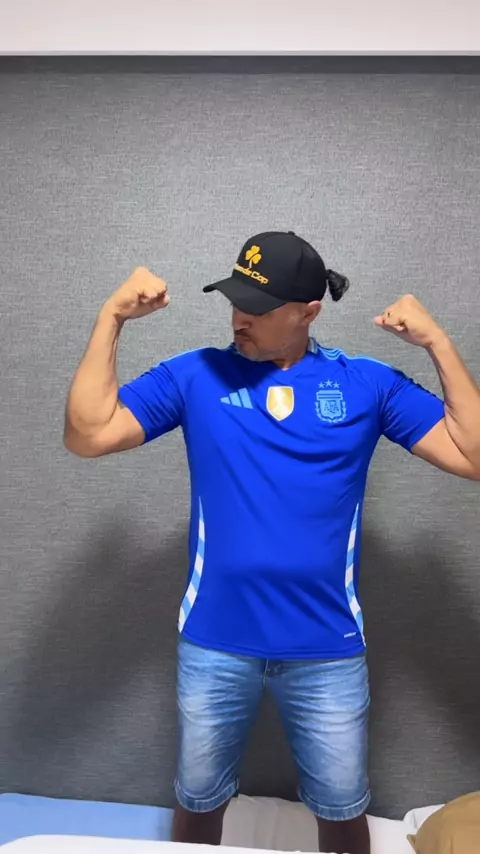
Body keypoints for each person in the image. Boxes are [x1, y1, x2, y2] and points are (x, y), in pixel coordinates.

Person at [64, 231, 480, 854]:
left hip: (327, 647)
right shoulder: (196, 375)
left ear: (308, 312)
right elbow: (87, 434)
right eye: (236, 302)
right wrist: (111, 318)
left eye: (258, 308)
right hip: (214, 642)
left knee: (342, 809)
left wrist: (438, 344)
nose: (240, 318)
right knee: (198, 801)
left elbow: (474, 455)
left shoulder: (365, 385)